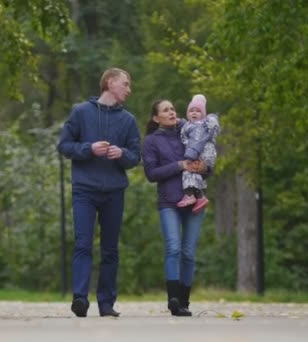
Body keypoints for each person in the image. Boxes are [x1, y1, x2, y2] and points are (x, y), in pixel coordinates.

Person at [57, 68, 141, 318]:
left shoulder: (128, 120)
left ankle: (106, 303)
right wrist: (88, 148)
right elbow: (64, 145)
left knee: (110, 249)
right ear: (110, 82)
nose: (129, 89)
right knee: (83, 244)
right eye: (126, 83)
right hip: (84, 189)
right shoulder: (80, 112)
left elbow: (136, 156)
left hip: (114, 192)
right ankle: (80, 299)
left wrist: (122, 154)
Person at [142, 99, 210, 317]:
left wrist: (205, 167)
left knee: (189, 253)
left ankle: (184, 301)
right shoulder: (151, 141)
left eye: (172, 108)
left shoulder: (189, 132)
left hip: (195, 200)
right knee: (173, 248)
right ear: (156, 118)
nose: (171, 112)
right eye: (165, 110)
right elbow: (151, 174)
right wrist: (179, 165)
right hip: (169, 202)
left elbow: (207, 164)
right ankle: (172, 298)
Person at [176, 94, 219, 212]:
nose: (194, 113)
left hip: (201, 153)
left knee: (189, 170)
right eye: (191, 111)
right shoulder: (196, 125)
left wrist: (191, 154)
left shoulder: (199, 127)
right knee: (196, 173)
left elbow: (196, 141)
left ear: (203, 115)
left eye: (198, 111)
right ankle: (200, 197)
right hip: (205, 154)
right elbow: (187, 126)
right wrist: (180, 123)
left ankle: (191, 195)